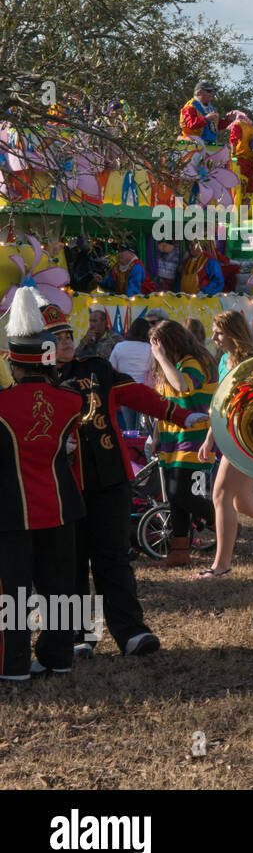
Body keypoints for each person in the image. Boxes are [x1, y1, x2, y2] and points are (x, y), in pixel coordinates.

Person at [53, 300, 202, 654]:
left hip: (109, 480)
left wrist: (180, 416)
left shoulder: (97, 369)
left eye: (67, 335)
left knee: (113, 558)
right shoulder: (34, 382)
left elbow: (136, 395)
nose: (66, 341)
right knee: (68, 563)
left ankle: (131, 632)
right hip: (61, 485)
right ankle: (77, 636)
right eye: (56, 338)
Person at [0, 289, 86, 682]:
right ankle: (59, 657)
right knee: (60, 587)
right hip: (61, 506)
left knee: (14, 592)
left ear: (13, 362)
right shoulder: (71, 401)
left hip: (12, 508)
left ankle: (14, 665)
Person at [194, 311, 253, 580]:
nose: (213, 338)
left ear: (233, 333)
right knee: (243, 503)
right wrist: (210, 437)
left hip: (244, 438)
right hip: (229, 435)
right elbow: (219, 403)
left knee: (220, 496)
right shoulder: (223, 361)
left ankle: (221, 566)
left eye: (218, 332)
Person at [149, 319, 218, 567]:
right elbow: (164, 402)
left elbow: (182, 386)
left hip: (194, 438)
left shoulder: (194, 363)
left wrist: (161, 357)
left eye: (160, 345)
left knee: (181, 493)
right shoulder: (173, 365)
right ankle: (179, 552)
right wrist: (156, 436)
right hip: (171, 439)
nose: (156, 351)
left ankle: (220, 522)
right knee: (175, 498)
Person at [110, 316, 154, 430]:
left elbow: (111, 367)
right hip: (144, 391)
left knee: (129, 428)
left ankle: (131, 446)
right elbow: (154, 369)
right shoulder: (150, 348)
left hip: (125, 390)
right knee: (143, 428)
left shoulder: (119, 346)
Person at [179, 81, 221, 145]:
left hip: (210, 145)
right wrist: (206, 119)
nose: (211, 94)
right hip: (193, 145)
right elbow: (189, 124)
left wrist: (228, 120)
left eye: (212, 91)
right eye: (209, 91)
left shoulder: (212, 108)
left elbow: (216, 126)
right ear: (199, 93)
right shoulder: (190, 106)